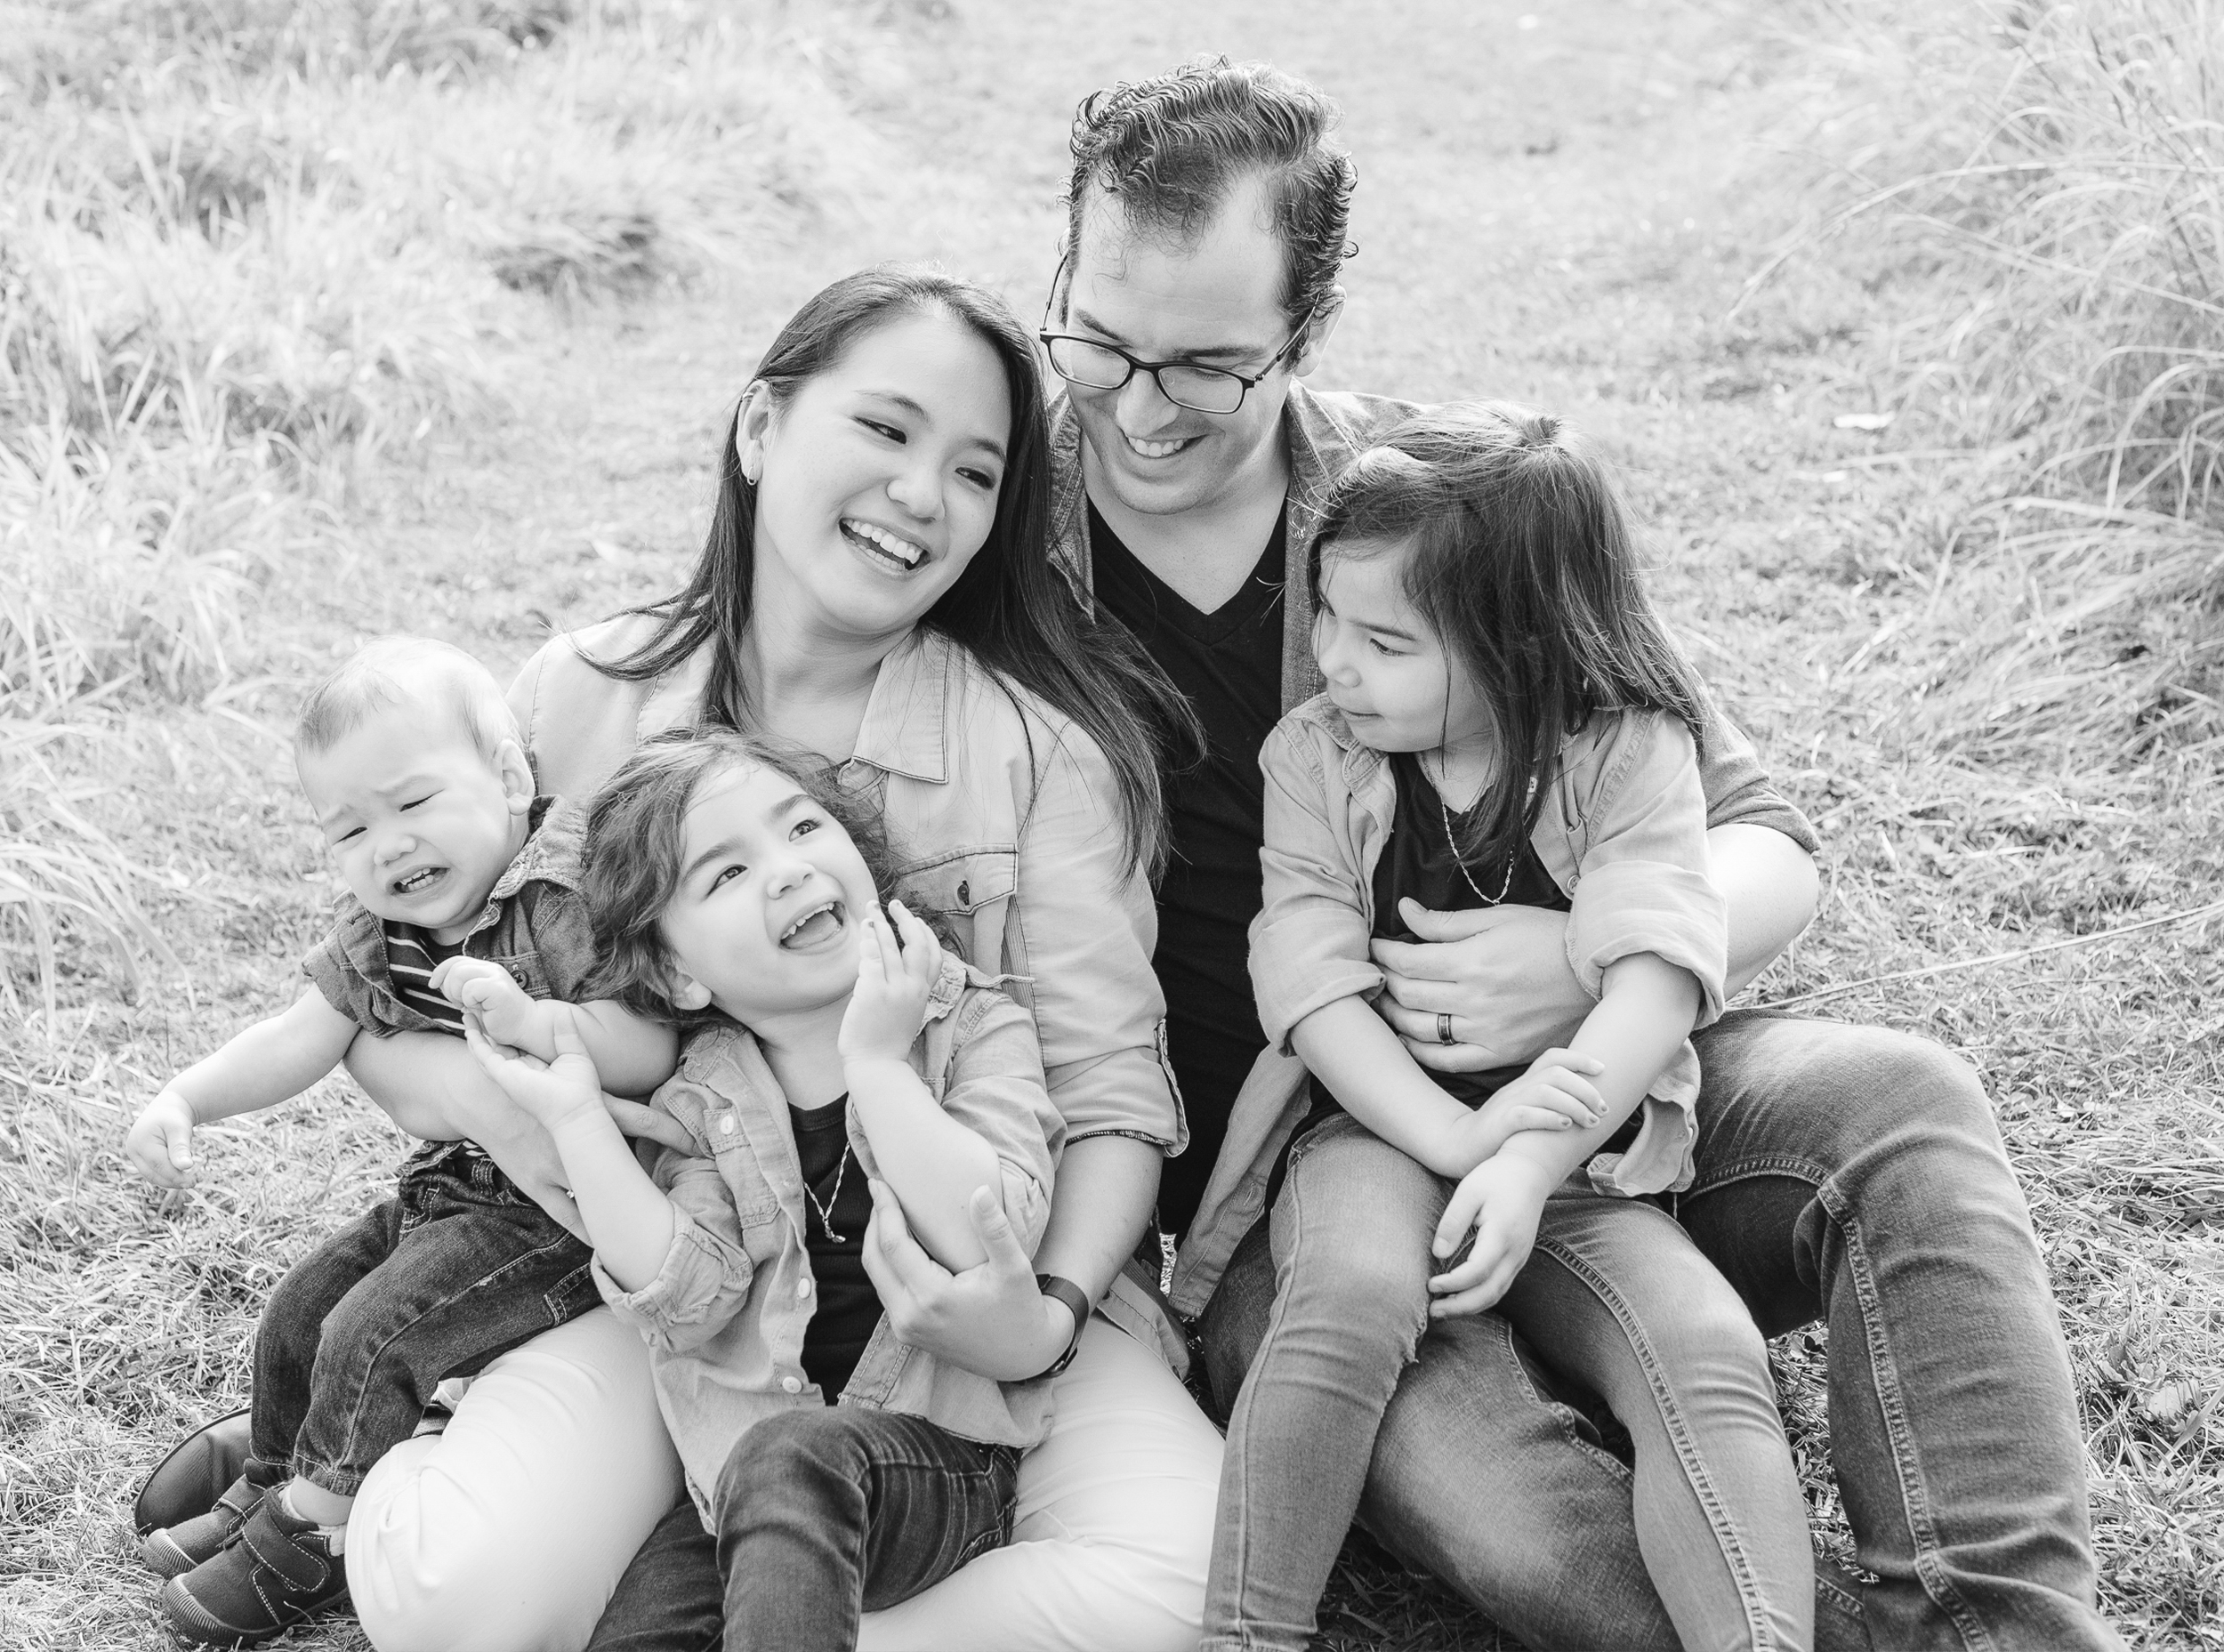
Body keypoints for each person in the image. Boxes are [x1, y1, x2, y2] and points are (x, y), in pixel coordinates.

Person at [1044, 59, 2116, 1652]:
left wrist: (1586, 971)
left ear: (1306, 329)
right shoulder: (1005, 534)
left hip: (1613, 1107)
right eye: (1099, 340)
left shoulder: (1443, 511)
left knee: (1904, 1107)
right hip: (1304, 1180)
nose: (1137, 406)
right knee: (1527, 1535)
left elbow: (1760, 839)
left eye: (1206, 363)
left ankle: (2000, 1630)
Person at [313, 266, 1221, 1652]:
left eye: (976, 471)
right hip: (688, 1275)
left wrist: (1041, 1314)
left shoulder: (1037, 754)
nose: (924, 494)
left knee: (1186, 1574)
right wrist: (505, 1104)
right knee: (464, 1595)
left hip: (970, 1313)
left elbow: (1111, 1100)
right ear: (759, 429)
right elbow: (386, 978)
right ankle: (380, 1464)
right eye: (886, 429)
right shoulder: (587, 692)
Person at [1203, 405, 1810, 1651]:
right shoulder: (1312, 759)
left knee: (1699, 1346)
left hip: (1576, 1147)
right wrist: (1457, 1133)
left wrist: (1532, 1156)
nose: (1334, 662)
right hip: (1374, 1128)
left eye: (1384, 639)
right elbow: (1314, 990)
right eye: (1324, 616)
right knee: (1352, 1295)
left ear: (1521, 645)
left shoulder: (1626, 750)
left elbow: (1655, 972)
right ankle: (1244, 1632)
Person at [122, 637, 677, 1648]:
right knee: (302, 1309)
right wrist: (185, 1099)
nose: (387, 845)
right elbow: (298, 1036)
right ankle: (271, 1486)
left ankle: (316, 1540)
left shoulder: (557, 902)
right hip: (453, 1187)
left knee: (373, 1329)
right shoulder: (377, 934)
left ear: (511, 778)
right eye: (349, 829)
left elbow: (650, 1041)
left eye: (414, 804)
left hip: (562, 1217)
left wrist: (539, 1025)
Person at [466, 729, 1066, 1652]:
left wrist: (875, 1063)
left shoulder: (967, 1021)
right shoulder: (706, 1092)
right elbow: (690, 1296)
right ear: (678, 974)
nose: (785, 871)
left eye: (800, 829)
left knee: (792, 1463)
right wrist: (580, 1121)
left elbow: (999, 1228)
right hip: (741, 1477)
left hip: (931, 1464)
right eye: (727, 875)